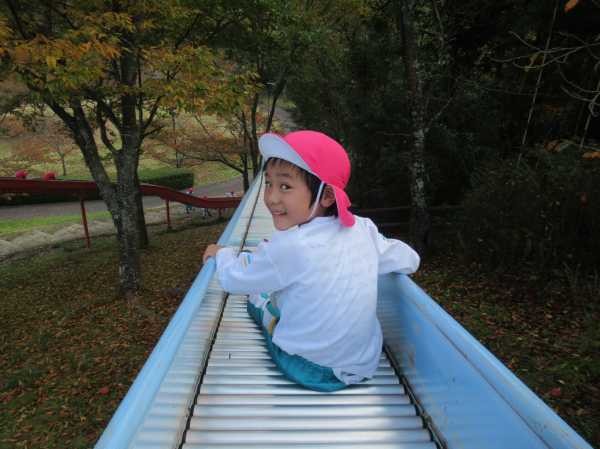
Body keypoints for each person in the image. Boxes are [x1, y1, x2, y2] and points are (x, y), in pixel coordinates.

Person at [202, 130, 420, 392]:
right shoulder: (364, 229)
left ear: (326, 196)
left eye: (285, 186)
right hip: (363, 364)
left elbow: (233, 279)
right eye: (268, 183)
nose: (271, 197)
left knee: (259, 300)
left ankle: (259, 291)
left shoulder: (290, 245)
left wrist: (223, 254)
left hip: (307, 368)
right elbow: (409, 260)